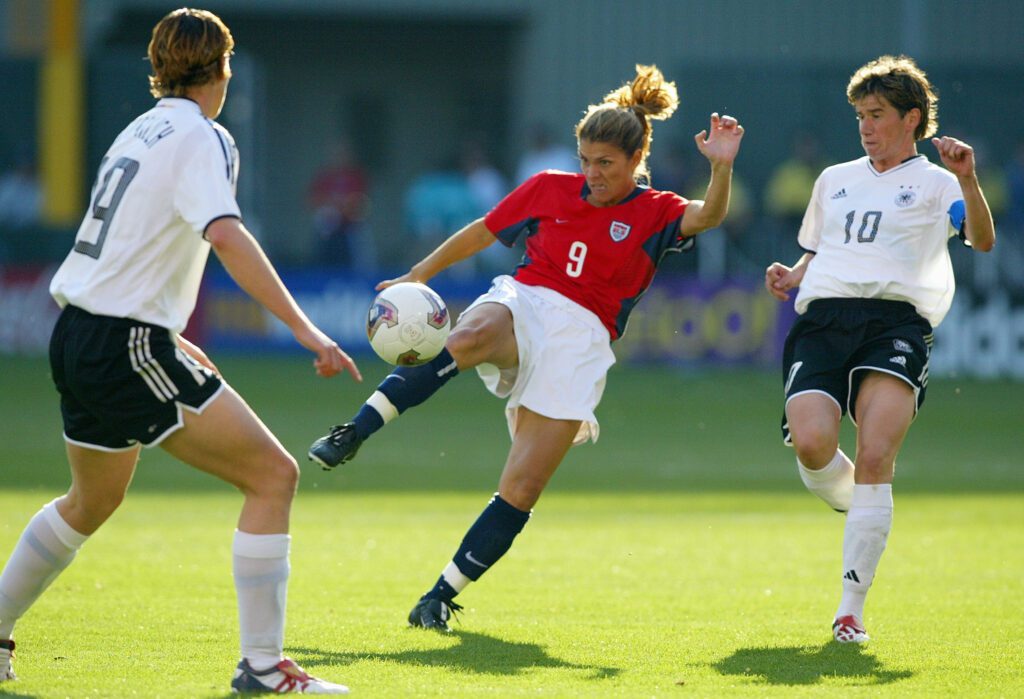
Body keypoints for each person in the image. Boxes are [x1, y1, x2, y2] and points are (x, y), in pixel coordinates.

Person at [0, 9, 361, 694]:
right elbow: (224, 235)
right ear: (221, 69)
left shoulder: (141, 128)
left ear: (159, 66)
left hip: (78, 331)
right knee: (273, 476)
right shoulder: (204, 134)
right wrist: (306, 330)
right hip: (127, 339)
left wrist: (177, 347)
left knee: (91, 499)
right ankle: (262, 666)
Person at [310, 64, 744, 631]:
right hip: (527, 298)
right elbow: (484, 230)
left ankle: (440, 595)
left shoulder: (657, 210)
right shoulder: (549, 188)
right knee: (469, 334)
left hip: (583, 341)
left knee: (521, 486)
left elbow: (710, 215)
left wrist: (721, 167)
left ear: (636, 161)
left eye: (605, 164)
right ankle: (354, 431)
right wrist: (418, 273)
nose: (591, 174)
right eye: (585, 160)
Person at [764, 55, 995, 645]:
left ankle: (850, 609)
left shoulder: (938, 182)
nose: (865, 126)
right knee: (814, 444)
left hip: (896, 324)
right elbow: (824, 249)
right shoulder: (833, 179)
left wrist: (968, 178)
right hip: (822, 321)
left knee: (875, 457)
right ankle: (860, 506)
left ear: (911, 118)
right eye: (860, 115)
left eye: (877, 115)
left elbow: (981, 238)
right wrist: (794, 274)